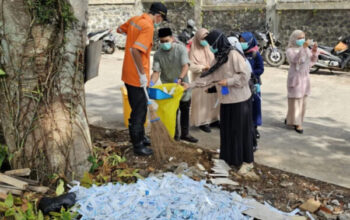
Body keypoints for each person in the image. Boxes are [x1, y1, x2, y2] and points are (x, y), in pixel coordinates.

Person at [183, 30, 255, 174]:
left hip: (240, 101)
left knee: (241, 131)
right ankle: (229, 158)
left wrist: (228, 81)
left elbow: (245, 75)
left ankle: (247, 161)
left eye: (211, 45)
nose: (210, 48)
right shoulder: (218, 58)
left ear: (218, 43)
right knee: (228, 131)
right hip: (227, 101)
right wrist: (190, 85)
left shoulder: (234, 55)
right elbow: (209, 77)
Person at [117, 2, 168, 156]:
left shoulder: (135, 20)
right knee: (138, 112)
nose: (160, 22)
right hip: (136, 77)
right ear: (158, 15)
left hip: (127, 73)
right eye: (161, 19)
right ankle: (138, 145)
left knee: (138, 108)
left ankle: (140, 136)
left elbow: (120, 29)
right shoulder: (148, 26)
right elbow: (135, 50)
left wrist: (132, 34)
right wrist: (141, 74)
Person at [150, 27, 198, 143]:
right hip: (168, 89)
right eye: (161, 41)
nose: (164, 43)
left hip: (182, 86)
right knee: (172, 112)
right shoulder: (158, 54)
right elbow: (156, 72)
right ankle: (174, 134)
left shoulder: (180, 49)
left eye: (166, 41)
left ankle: (185, 134)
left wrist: (180, 78)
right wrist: (151, 84)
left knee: (185, 110)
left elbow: (185, 66)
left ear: (172, 38)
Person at [285, 30, 319, 134]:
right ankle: (297, 123)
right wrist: (303, 48)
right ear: (294, 39)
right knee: (295, 101)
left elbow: (311, 61)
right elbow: (296, 60)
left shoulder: (305, 49)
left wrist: (314, 51)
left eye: (303, 38)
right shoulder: (290, 50)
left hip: (305, 77)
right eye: (299, 38)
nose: (302, 40)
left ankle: (291, 119)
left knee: (303, 101)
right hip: (295, 77)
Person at [188, 28, 219, 133]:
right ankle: (202, 122)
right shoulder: (193, 49)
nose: (205, 41)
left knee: (212, 99)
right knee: (201, 101)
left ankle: (213, 120)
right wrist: (202, 67)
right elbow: (190, 66)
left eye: (206, 38)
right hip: (199, 78)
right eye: (203, 38)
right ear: (197, 38)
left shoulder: (209, 47)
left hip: (211, 78)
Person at [239, 32, 264, 151]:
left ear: (250, 41)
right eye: (240, 41)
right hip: (243, 84)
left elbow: (261, 68)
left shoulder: (255, 54)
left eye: (244, 41)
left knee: (255, 105)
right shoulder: (239, 53)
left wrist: (252, 74)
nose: (242, 43)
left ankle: (255, 127)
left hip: (253, 83)